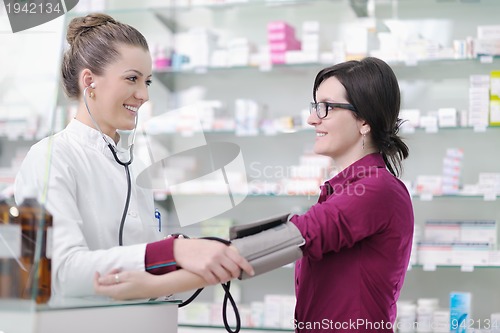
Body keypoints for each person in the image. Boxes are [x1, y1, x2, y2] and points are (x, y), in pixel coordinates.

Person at [95, 57, 414, 333]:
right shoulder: (344, 189)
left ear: (364, 121)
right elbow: (286, 235)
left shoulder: (377, 190)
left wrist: (153, 282)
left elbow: (286, 241)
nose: (311, 118)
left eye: (326, 108)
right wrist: (176, 255)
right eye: (314, 106)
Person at [13, 13, 253, 299]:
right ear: (89, 81)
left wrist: (192, 258)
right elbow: (59, 271)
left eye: (147, 82)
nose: (143, 95)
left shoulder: (132, 164)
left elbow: (143, 269)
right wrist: (171, 252)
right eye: (132, 79)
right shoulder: (50, 158)